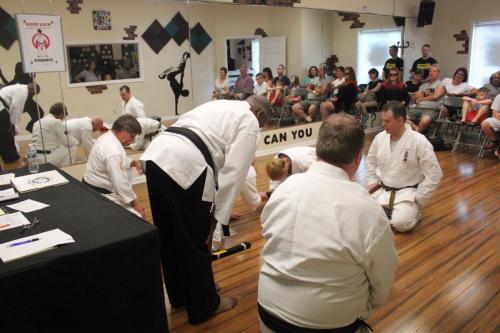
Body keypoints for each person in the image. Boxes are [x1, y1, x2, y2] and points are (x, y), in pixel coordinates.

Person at [258, 114, 399, 333]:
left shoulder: (283, 189)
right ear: (358, 158)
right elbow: (382, 279)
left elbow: (268, 231)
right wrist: (361, 310)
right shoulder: (367, 209)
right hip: (329, 324)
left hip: (267, 314)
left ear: (317, 148)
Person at [140, 96, 270, 325]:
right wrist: (215, 220)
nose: (258, 130)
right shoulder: (249, 119)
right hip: (186, 162)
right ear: (259, 114)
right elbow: (234, 173)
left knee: (169, 235)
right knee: (196, 240)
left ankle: (181, 295)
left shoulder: (220, 104)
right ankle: (203, 304)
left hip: (155, 156)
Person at [366, 102, 443, 232]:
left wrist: (420, 197)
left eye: (387, 121)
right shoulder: (380, 137)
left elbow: (435, 174)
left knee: (400, 223)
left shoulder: (419, 141)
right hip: (382, 189)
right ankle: (386, 211)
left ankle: (414, 211)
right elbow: (371, 161)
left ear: (400, 120)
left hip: (407, 192)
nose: (383, 124)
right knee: (363, 216)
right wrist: (372, 181)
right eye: (382, 120)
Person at [83, 114, 145, 218]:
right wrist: (135, 203)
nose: (133, 141)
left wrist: (133, 162)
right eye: (132, 136)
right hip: (102, 195)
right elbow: (120, 182)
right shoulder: (112, 150)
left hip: (93, 188)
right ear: (124, 131)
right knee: (139, 216)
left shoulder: (108, 136)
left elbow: (120, 161)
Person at [0, 83, 39, 169]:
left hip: (2, 107)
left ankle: (13, 157)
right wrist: (13, 125)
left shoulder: (20, 87)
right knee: (7, 136)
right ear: (31, 89)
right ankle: (13, 160)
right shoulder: (23, 92)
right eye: (33, 94)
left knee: (4, 136)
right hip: (1, 108)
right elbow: (16, 109)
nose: (31, 97)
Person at [31, 103, 78, 167]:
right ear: (61, 114)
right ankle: (67, 168)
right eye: (64, 116)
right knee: (73, 147)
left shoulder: (37, 122)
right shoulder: (56, 122)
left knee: (61, 145)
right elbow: (70, 142)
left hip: (32, 157)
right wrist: (77, 141)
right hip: (44, 159)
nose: (63, 119)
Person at [407, 64, 445, 133]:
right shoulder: (423, 85)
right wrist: (430, 93)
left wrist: (421, 98)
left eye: (434, 71)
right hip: (417, 108)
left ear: (438, 73)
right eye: (430, 71)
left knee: (424, 121)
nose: (431, 73)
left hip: (431, 110)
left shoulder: (441, 84)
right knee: (400, 118)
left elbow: (435, 97)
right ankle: (417, 131)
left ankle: (417, 134)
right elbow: (416, 97)